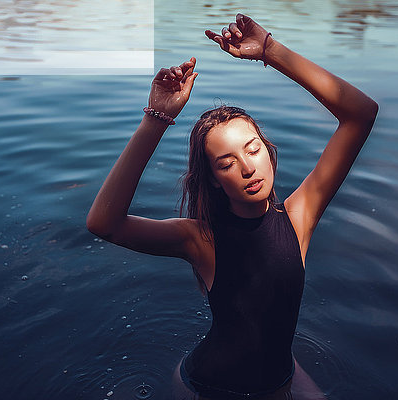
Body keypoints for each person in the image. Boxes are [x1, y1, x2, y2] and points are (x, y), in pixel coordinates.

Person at [87, 13, 378, 400]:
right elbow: (104, 224)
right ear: (212, 179)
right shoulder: (199, 239)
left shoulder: (299, 217)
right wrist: (156, 119)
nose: (246, 167)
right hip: (211, 387)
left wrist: (270, 51)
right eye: (225, 163)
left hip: (281, 376)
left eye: (253, 149)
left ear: (268, 152)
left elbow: (360, 115)